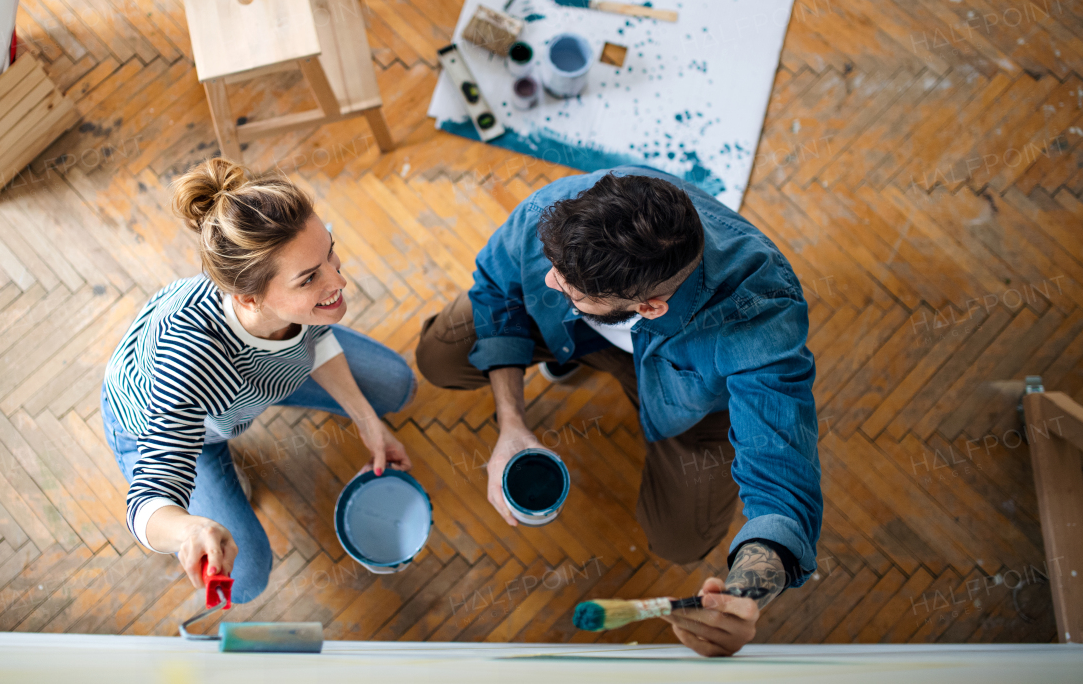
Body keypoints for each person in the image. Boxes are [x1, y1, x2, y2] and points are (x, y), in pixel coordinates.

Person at [415, 167, 822, 656]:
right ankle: (578, 348)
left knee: (681, 540)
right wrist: (512, 423)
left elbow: (782, 489)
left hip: (689, 402)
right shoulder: (562, 213)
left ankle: (585, 353)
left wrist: (742, 596)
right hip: (588, 329)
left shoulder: (760, 312)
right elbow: (498, 292)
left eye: (570, 290)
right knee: (438, 355)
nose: (548, 280)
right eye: (554, 267)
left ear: (650, 307)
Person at [101, 159, 415, 602]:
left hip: (253, 387)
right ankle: (217, 480)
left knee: (396, 386)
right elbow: (148, 503)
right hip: (168, 423)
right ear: (248, 298)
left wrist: (365, 419)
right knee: (244, 579)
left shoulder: (287, 292)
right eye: (311, 278)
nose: (339, 279)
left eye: (330, 252)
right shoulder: (185, 360)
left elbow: (317, 338)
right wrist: (192, 527)